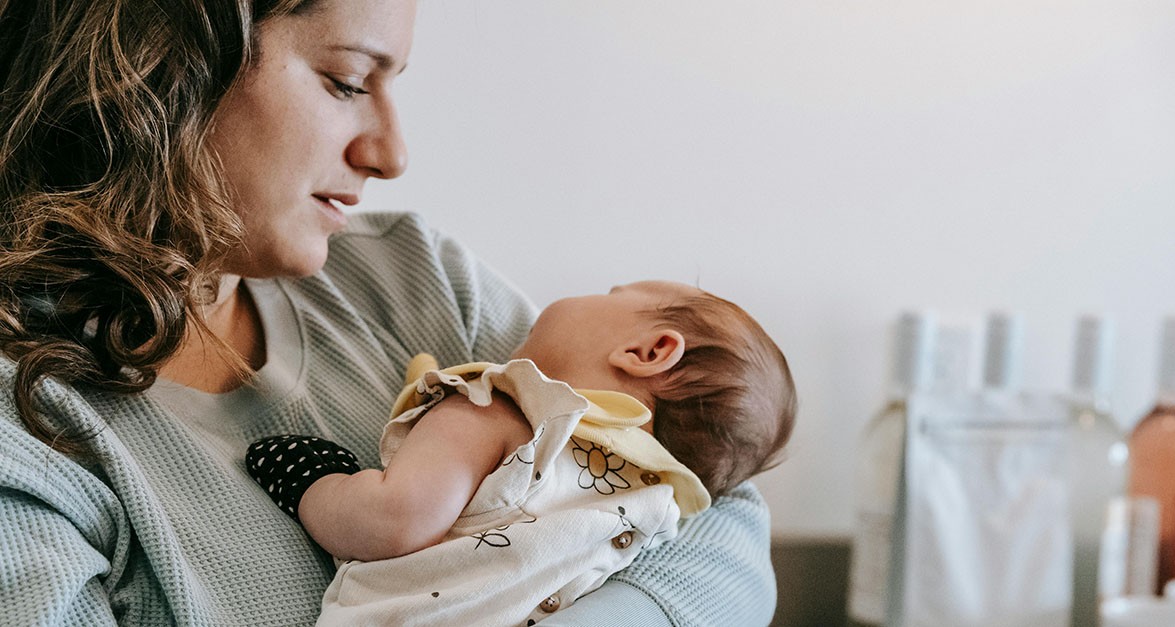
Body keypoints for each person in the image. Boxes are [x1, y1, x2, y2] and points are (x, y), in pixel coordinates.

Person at [0, 1, 782, 625]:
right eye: (345, 81)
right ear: (157, 64)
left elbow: (709, 499)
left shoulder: (413, 276)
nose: (391, 152)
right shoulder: (26, 432)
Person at [245, 280, 797, 625]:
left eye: (611, 294)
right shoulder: (654, 497)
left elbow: (395, 518)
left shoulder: (510, 408)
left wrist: (314, 477)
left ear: (648, 351)